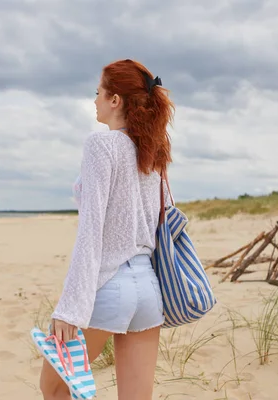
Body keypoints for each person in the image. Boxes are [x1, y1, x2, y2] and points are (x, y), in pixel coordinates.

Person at [40, 59, 175, 400]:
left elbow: (91, 230)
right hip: (148, 289)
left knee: (54, 388)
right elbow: (166, 216)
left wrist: (70, 308)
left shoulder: (102, 145)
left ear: (115, 100)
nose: (95, 100)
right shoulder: (153, 151)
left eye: (98, 92)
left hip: (109, 287)